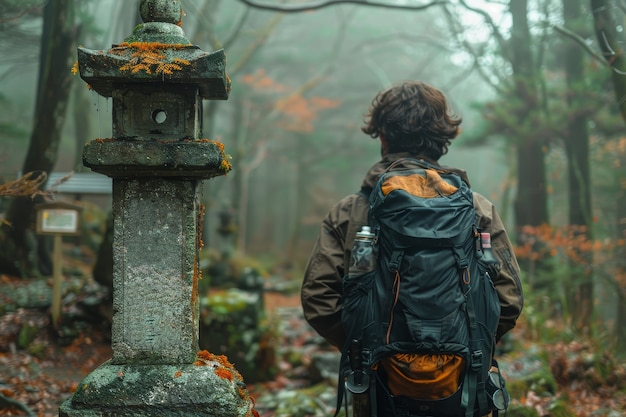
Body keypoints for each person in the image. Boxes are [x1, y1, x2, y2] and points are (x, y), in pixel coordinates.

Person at [300, 80, 524, 415]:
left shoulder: (350, 212)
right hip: (465, 383)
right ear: (443, 140)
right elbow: (509, 301)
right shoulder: (479, 211)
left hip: (376, 385)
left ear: (383, 136)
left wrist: (365, 348)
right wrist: (469, 346)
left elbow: (319, 300)